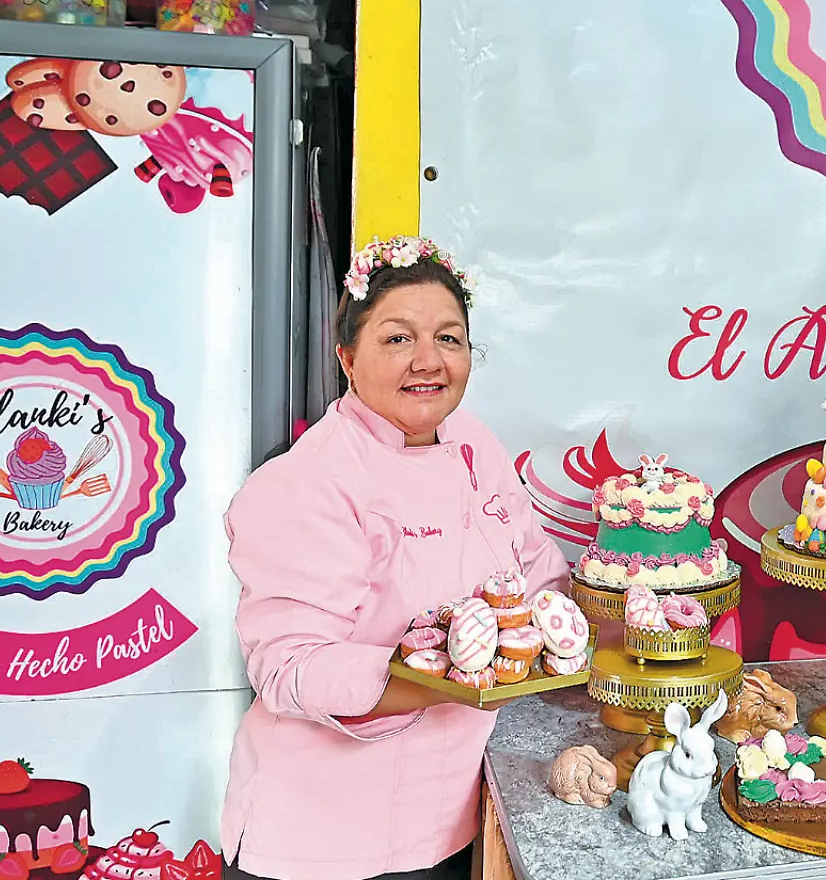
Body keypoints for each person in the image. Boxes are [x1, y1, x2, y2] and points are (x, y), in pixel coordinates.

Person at [221, 236, 570, 880]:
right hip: (324, 836)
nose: (427, 361)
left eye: (449, 337)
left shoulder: (473, 443)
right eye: (398, 339)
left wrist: (623, 613)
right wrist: (447, 674)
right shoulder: (307, 481)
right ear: (347, 359)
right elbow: (289, 668)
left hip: (454, 812)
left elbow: (540, 578)